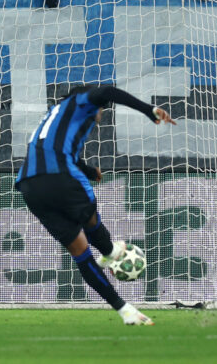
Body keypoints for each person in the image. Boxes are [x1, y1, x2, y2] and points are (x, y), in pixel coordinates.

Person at [15, 85, 176, 326]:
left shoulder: (53, 116)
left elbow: (58, 150)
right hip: (58, 175)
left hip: (29, 186)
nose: (102, 113)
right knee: (89, 214)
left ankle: (125, 311)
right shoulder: (79, 102)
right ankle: (109, 251)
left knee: (80, 252)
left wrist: (89, 170)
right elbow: (108, 91)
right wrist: (148, 109)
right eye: (102, 109)